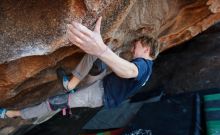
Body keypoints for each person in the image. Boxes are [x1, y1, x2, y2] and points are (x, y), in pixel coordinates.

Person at [0, 17, 160, 119]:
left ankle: (14, 114)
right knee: (97, 53)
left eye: (136, 46)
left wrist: (102, 50)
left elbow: (131, 71)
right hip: (103, 83)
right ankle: (71, 84)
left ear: (146, 48)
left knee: (55, 102)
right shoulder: (146, 67)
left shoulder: (144, 66)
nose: (133, 49)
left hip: (99, 95)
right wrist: (102, 50)